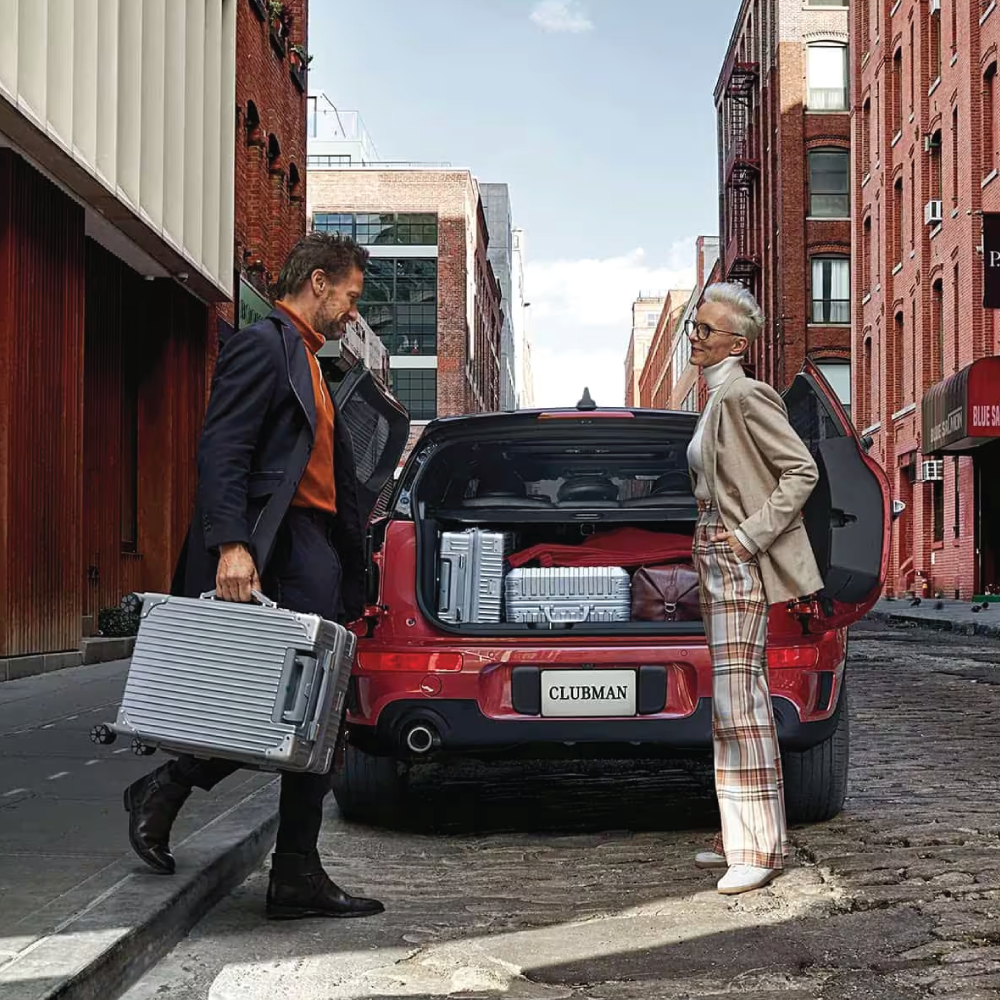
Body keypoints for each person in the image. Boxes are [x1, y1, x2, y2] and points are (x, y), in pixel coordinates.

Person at [122, 232, 385, 920]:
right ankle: (282, 864)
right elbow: (224, 449)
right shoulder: (263, 345)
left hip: (315, 547)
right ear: (319, 283)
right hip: (282, 547)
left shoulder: (311, 364)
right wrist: (231, 544)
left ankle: (192, 801)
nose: (352, 314)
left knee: (312, 716)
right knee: (305, 713)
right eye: (351, 297)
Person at [685, 283, 823, 896]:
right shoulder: (715, 399)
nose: (696, 336)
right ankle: (735, 833)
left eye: (705, 330)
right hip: (715, 552)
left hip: (734, 554)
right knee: (729, 700)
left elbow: (802, 470)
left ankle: (760, 849)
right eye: (694, 327)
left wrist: (747, 538)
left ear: (736, 344)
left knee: (741, 700)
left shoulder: (744, 395)